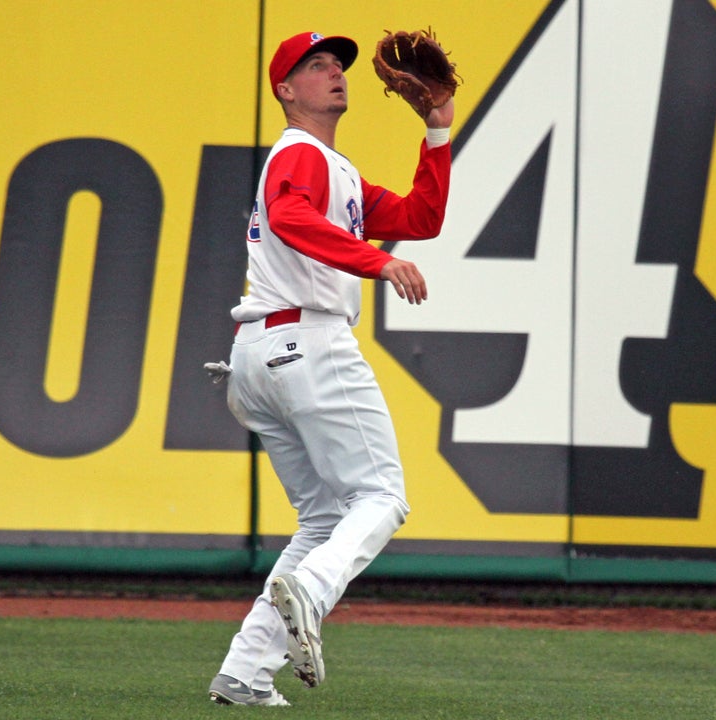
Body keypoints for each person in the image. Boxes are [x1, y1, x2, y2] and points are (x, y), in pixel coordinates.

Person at [207, 30, 453, 707]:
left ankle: (246, 671)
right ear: (286, 90)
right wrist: (380, 261)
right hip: (307, 344)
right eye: (314, 66)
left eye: (337, 64)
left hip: (257, 355)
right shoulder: (301, 153)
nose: (334, 73)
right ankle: (311, 596)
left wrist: (437, 130)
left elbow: (418, 218)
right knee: (381, 499)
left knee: (321, 523)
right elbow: (289, 215)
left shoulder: (333, 168)